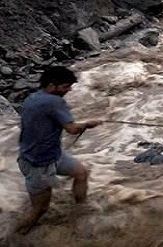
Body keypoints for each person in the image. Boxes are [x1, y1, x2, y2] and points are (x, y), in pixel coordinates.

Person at [16, 66, 103, 234]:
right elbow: (72, 129)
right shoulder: (54, 101)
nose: (69, 90)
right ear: (51, 85)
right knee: (39, 210)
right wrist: (87, 124)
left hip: (49, 155)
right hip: (39, 164)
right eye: (65, 86)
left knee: (81, 173)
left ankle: (80, 209)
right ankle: (14, 235)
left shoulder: (32, 98)